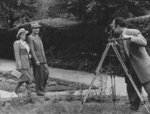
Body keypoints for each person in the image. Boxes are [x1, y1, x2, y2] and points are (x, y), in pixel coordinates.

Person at [111, 17, 150, 112]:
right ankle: (133, 109)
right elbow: (126, 51)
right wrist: (116, 44)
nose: (112, 28)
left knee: (149, 89)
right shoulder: (120, 37)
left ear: (118, 25)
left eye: (113, 25)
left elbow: (144, 42)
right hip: (131, 68)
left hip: (142, 67)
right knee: (132, 90)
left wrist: (129, 37)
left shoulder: (133, 32)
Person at [27, 21, 49, 96]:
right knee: (39, 75)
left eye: (38, 28)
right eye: (35, 28)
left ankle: (42, 88)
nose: (37, 29)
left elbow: (41, 49)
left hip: (43, 59)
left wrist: (44, 59)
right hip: (37, 60)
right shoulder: (30, 37)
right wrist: (36, 60)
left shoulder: (38, 36)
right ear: (32, 29)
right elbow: (32, 50)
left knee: (46, 73)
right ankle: (39, 90)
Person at [13, 28, 34, 97]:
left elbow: (27, 52)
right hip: (22, 62)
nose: (24, 36)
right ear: (19, 35)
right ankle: (14, 92)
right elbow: (17, 55)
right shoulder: (17, 43)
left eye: (25, 34)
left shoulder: (25, 43)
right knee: (23, 79)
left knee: (28, 78)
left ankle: (28, 93)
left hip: (27, 62)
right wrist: (19, 65)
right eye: (23, 34)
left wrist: (29, 55)